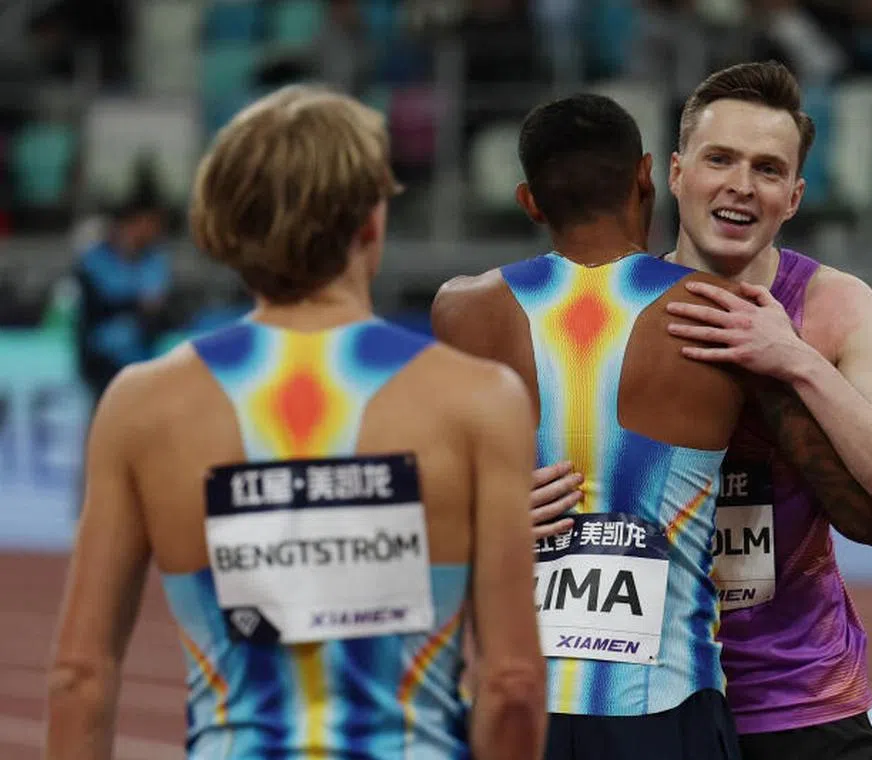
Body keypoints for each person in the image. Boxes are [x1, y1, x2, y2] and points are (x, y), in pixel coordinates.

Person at [45, 85, 547, 760]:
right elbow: (511, 683)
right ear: (370, 223)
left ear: (225, 223)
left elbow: (79, 675)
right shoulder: (478, 401)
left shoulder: (142, 406)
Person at [531, 62, 872, 758]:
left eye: (768, 169)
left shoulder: (833, 306)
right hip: (649, 702)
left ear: (794, 196)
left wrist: (795, 359)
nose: (741, 185)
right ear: (676, 173)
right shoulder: (603, 309)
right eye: (720, 159)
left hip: (800, 699)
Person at [431, 93, 745, 760]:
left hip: (517, 709)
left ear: (529, 202)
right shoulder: (721, 313)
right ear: (646, 176)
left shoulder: (462, 311)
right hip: (665, 704)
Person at [73, 170, 171, 404]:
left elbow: (161, 308)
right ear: (131, 223)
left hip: (142, 361)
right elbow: (93, 307)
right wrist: (136, 303)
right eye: (150, 223)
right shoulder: (94, 260)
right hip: (102, 361)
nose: (154, 231)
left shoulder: (155, 261)